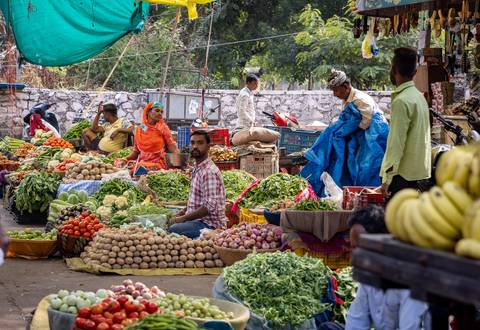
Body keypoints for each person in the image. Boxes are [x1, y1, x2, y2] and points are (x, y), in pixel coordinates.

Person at [346, 205, 430, 330]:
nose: (355, 254)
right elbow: (356, 320)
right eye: (353, 247)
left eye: (360, 247)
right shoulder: (368, 274)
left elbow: (409, 327)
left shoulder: (407, 279)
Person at [380, 47, 431, 198]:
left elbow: (396, 143)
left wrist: (387, 178)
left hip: (402, 177)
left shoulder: (402, 101)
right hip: (419, 174)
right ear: (415, 73)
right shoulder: (419, 97)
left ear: (393, 69)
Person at [169, 131, 228, 239]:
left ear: (208, 147)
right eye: (192, 143)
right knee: (169, 222)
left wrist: (183, 218)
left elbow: (209, 207)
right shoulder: (198, 168)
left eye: (200, 143)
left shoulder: (209, 172)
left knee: (172, 229)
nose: (195, 146)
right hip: (197, 221)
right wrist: (182, 212)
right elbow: (196, 200)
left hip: (209, 225)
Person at [125, 102, 179, 171]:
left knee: (139, 169)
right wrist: (125, 159)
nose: (160, 113)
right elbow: (136, 152)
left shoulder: (162, 128)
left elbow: (173, 148)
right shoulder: (140, 129)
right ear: (148, 112)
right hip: (141, 164)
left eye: (161, 112)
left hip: (158, 166)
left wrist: (180, 165)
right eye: (157, 110)